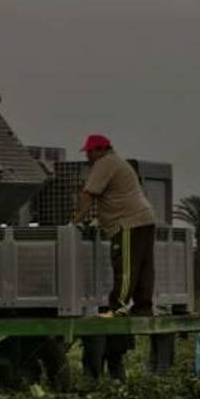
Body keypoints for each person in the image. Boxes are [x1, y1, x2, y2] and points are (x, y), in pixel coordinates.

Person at [71, 134, 158, 380]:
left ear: (99, 150)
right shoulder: (119, 163)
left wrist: (73, 221)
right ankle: (143, 307)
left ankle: (118, 307)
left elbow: (89, 193)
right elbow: (114, 197)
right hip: (144, 218)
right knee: (143, 267)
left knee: (126, 264)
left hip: (128, 222)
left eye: (88, 152)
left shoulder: (105, 163)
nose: (87, 157)